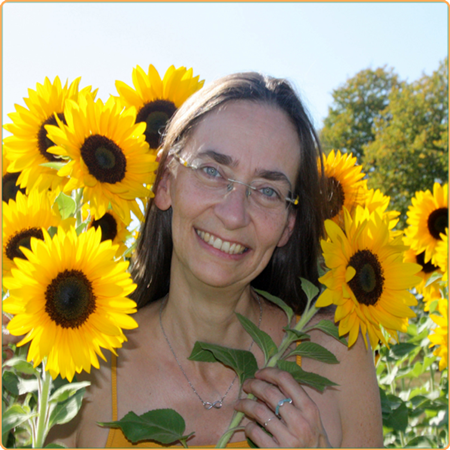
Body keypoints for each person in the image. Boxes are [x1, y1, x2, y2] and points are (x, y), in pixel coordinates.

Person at [7, 72, 384, 448]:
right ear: (166, 182)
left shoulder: (339, 359)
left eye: (268, 190)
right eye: (212, 171)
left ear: (288, 224)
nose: (234, 214)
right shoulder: (85, 364)